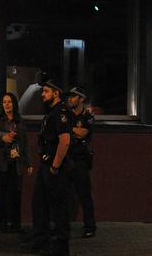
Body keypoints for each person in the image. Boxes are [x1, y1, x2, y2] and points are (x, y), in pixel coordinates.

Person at [22, 80, 73, 256]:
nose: (42, 94)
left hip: (54, 167)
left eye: (45, 91)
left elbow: (65, 141)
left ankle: (61, 245)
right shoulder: (51, 112)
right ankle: (41, 241)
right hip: (46, 166)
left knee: (58, 207)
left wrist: (55, 166)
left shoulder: (61, 113)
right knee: (39, 204)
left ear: (56, 93)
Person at [0, 92, 33, 233]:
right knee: (1, 193)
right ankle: (2, 222)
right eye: (4, 102)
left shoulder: (20, 121)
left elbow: (26, 143)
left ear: (14, 104)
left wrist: (29, 163)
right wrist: (2, 138)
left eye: (9, 102)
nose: (6, 104)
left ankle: (15, 223)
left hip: (16, 162)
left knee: (16, 193)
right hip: (1, 162)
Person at [66, 87, 97, 239]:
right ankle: (62, 225)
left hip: (80, 160)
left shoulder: (88, 116)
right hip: (66, 158)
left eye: (74, 97)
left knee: (84, 194)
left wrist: (69, 130)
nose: (70, 99)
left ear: (81, 99)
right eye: (70, 97)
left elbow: (83, 132)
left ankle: (90, 226)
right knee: (63, 193)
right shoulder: (66, 114)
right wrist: (73, 131)